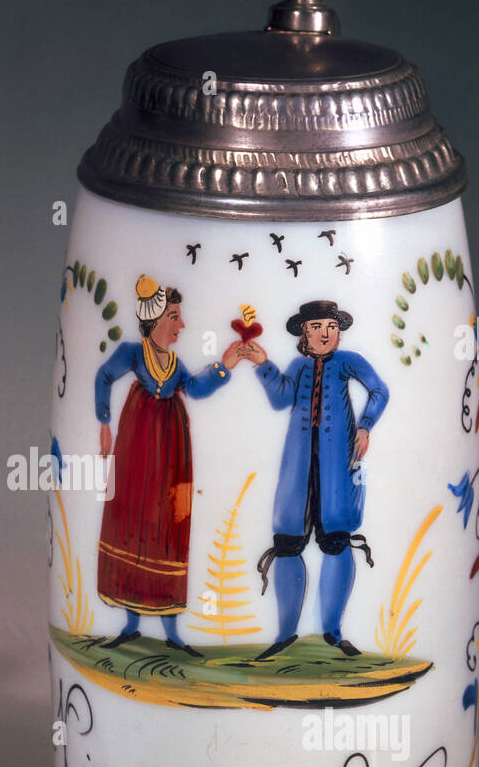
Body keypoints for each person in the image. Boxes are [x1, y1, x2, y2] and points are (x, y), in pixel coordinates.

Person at [95, 275, 243, 654]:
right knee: (132, 519)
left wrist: (223, 366)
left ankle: (174, 633)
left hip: (171, 453)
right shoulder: (132, 351)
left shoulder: (175, 365)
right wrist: (104, 423)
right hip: (138, 446)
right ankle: (129, 624)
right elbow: (103, 376)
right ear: (156, 320)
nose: (182, 325)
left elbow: (195, 389)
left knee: (168, 527)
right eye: (175, 316)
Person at [244, 300, 388, 659]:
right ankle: (285, 633)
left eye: (331, 326)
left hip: (337, 467)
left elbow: (379, 390)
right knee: (289, 542)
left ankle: (334, 632)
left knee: (337, 540)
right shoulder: (297, 366)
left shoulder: (348, 362)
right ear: (304, 333)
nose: (326, 333)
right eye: (317, 327)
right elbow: (280, 400)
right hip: (298, 469)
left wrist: (367, 426)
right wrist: (263, 364)